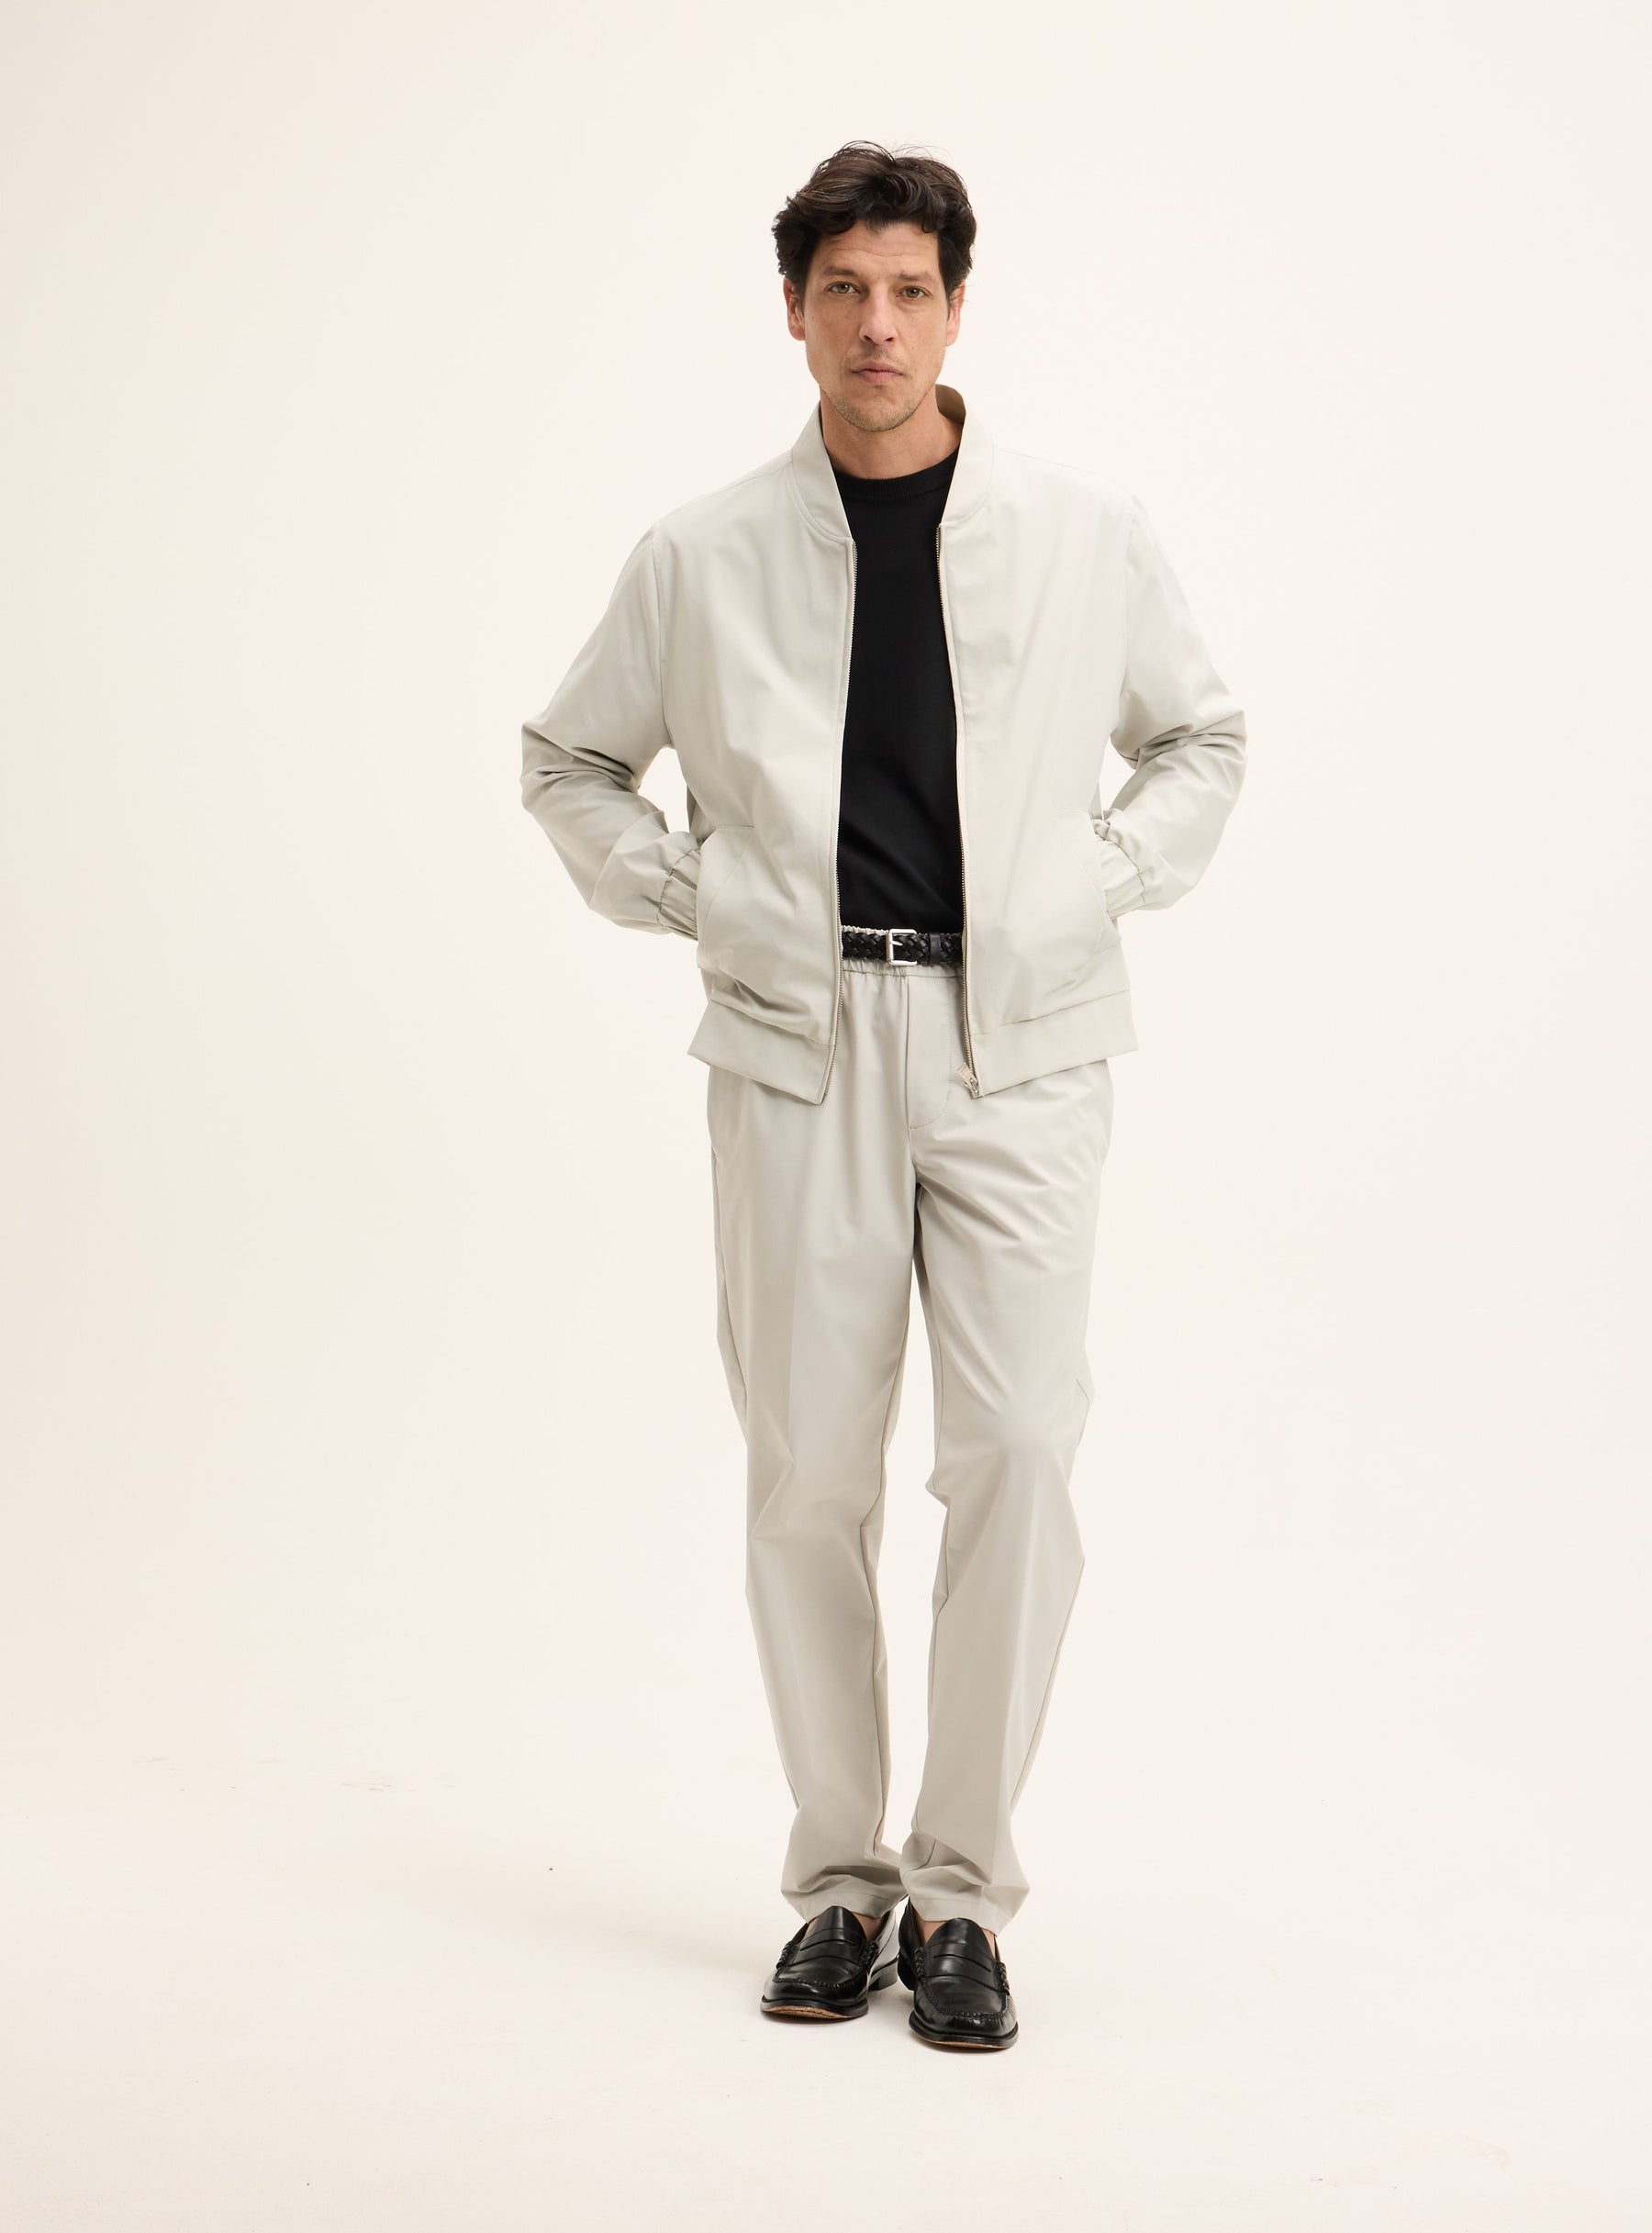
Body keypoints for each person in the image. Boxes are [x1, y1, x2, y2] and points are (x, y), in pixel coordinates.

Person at [520, 140, 1246, 2052]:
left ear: (955, 308)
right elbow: (570, 759)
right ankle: (840, 1883)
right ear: (793, 310)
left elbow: (1199, 732)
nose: (876, 325)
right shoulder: (701, 553)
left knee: (1015, 1454)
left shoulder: (1080, 531)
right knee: (810, 1476)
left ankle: (961, 1889)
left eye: (908, 290)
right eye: (842, 289)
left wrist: (1096, 876)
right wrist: (698, 897)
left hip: (1023, 1046)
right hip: (799, 1044)